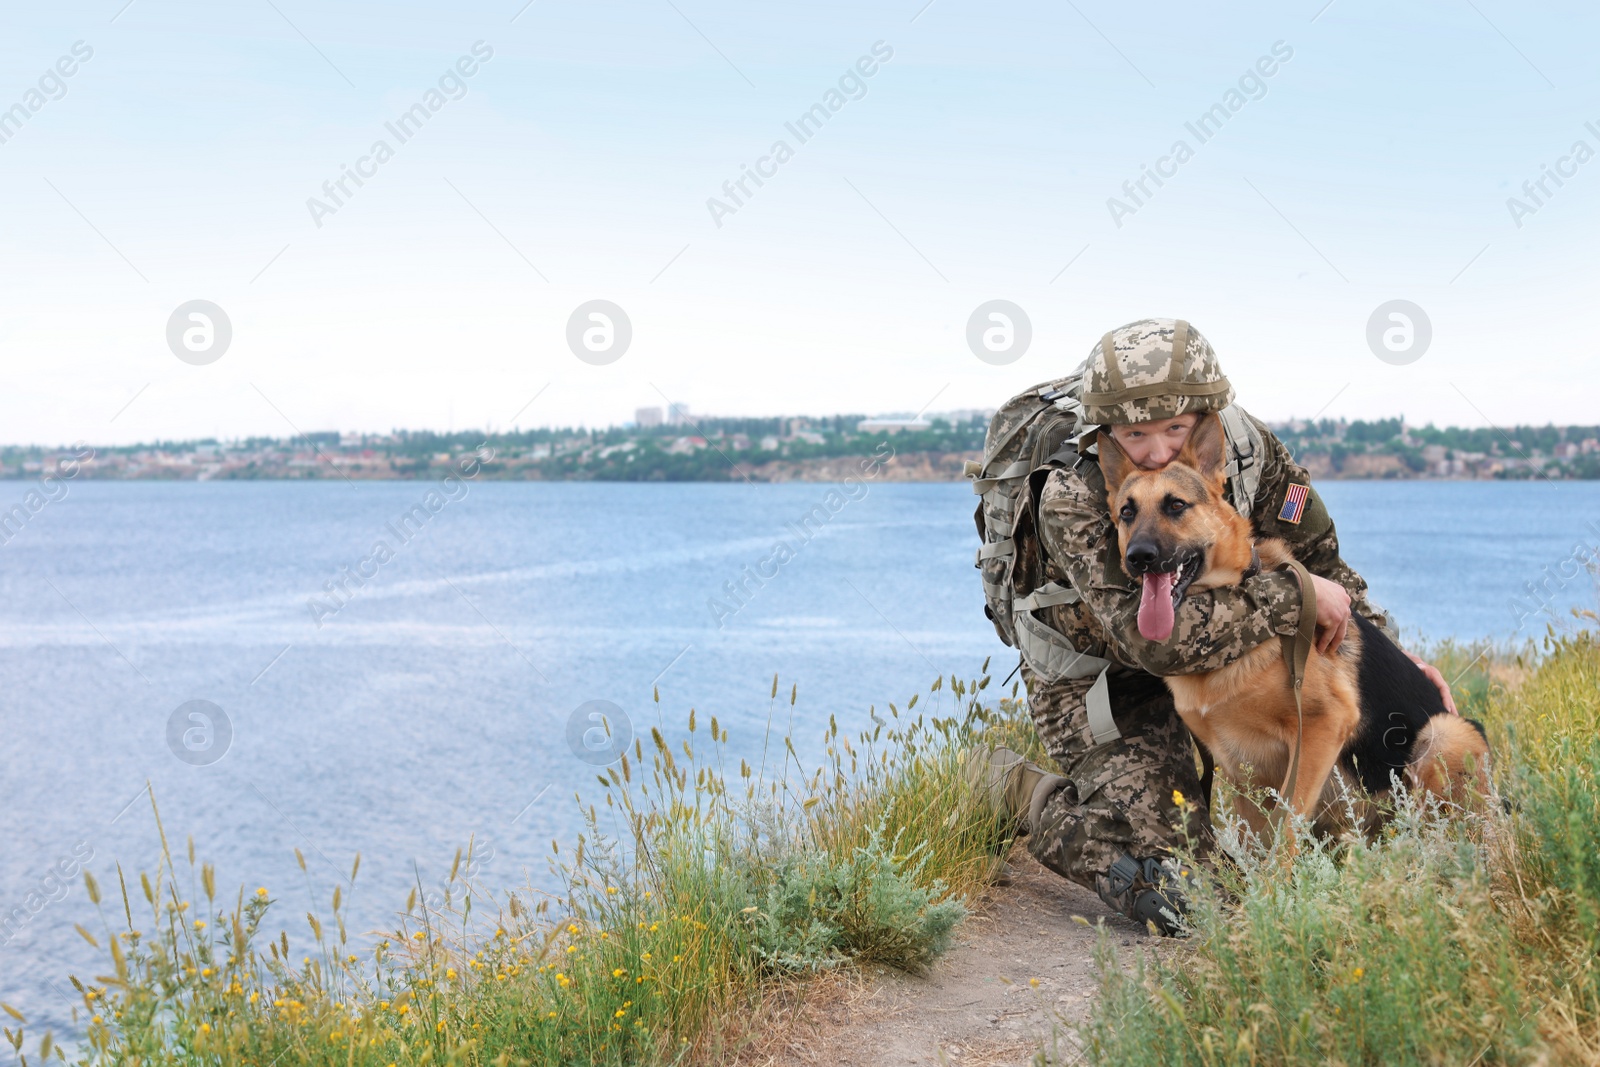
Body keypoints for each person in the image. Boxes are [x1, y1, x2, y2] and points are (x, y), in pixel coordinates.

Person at [970, 318, 1457, 934]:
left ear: (1206, 419)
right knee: (1182, 895)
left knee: (1369, 849)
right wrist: (1293, 593)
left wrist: (1397, 658)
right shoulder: (1073, 491)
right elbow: (1157, 640)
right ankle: (1022, 793)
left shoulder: (1249, 452)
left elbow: (1328, 568)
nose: (1155, 451)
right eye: (1133, 433)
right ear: (1103, 433)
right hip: (1108, 684)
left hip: (1227, 669)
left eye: (1175, 428)